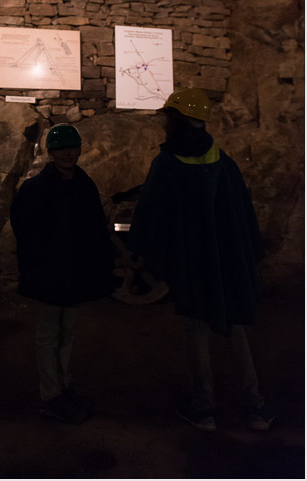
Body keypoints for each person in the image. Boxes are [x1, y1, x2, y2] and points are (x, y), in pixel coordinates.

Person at [129, 87, 272, 431]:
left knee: (196, 329)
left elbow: (150, 216)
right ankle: (255, 408)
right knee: (236, 325)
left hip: (193, 263)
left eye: (168, 116)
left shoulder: (166, 164)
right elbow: (244, 217)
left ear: (178, 119)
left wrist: (151, 255)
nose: (165, 123)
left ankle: (204, 408)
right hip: (227, 263)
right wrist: (247, 257)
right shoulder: (224, 163)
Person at [10, 124, 116, 423]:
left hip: (71, 272)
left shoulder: (83, 185)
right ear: (51, 153)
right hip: (48, 272)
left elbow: (95, 229)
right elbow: (25, 230)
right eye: (62, 149)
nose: (68, 153)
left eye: (72, 147)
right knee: (48, 334)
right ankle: (50, 394)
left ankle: (63, 383)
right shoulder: (37, 189)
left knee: (66, 332)